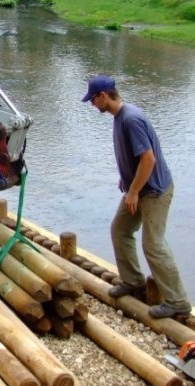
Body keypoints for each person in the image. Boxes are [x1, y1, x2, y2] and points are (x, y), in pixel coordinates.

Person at [82, 74, 191, 319]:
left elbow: (148, 159)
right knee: (120, 229)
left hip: (154, 191)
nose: (92, 104)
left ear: (103, 96)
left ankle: (178, 301)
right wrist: (127, 179)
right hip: (137, 188)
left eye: (93, 99)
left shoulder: (131, 119)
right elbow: (135, 157)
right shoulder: (119, 117)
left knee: (153, 244)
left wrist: (133, 192)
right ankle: (133, 282)